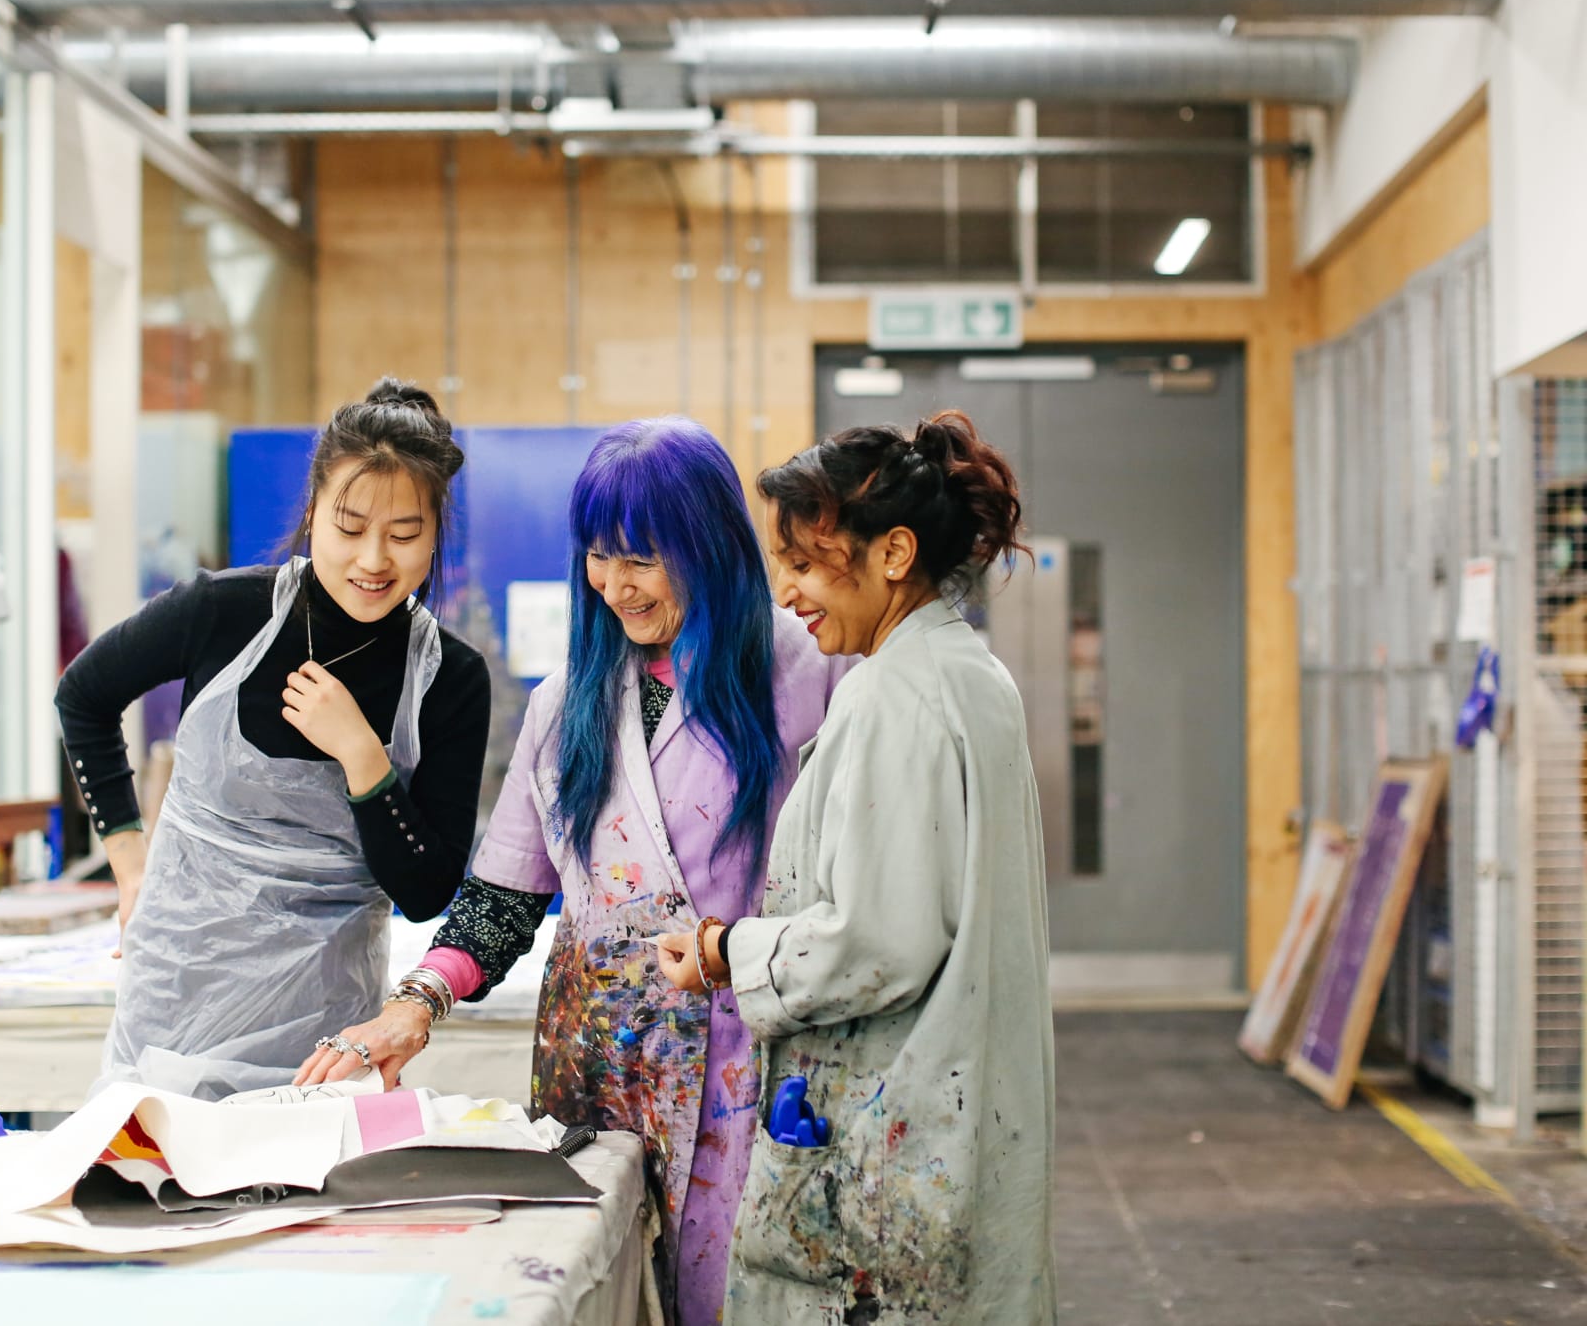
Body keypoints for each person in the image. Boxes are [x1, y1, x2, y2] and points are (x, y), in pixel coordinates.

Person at [297, 417, 851, 1326]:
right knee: (600, 1293)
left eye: (643, 558)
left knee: (738, 1296)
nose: (615, 585)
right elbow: (507, 895)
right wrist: (414, 1005)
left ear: (707, 546)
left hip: (749, 1062)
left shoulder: (802, 667)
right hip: (599, 1070)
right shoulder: (570, 699)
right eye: (599, 556)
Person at [658, 410, 1057, 1324]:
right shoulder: (967, 671)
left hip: (899, 1120)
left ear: (893, 553)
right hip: (962, 1107)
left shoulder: (895, 695)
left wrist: (727, 951)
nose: (789, 592)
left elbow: (881, 939)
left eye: (806, 563)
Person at [56, 378, 490, 1100]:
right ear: (314, 510)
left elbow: (426, 889)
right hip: (173, 1004)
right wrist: (130, 865)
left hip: (324, 1036)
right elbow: (84, 695)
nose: (374, 559)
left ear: (436, 531)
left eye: (405, 535)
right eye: (350, 528)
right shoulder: (223, 613)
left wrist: (363, 756)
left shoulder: (450, 678)